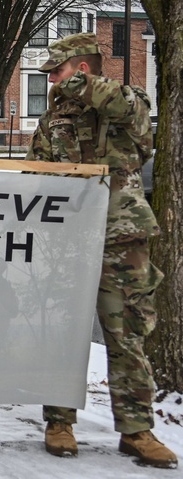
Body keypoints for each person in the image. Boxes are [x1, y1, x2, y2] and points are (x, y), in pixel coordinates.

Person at [27, 33, 175, 468]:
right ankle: (59, 423)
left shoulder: (130, 103)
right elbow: (37, 176)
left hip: (121, 240)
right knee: (61, 334)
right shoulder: (52, 122)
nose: (51, 81)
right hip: (68, 244)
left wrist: (78, 85)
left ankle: (137, 432)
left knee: (127, 336)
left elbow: (131, 117)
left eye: (57, 71)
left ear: (82, 70)